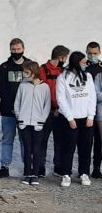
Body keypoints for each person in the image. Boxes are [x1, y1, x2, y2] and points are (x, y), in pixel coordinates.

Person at [56, 51, 97, 188]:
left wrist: (91, 116)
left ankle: (84, 172)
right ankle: (66, 174)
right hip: (70, 119)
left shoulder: (88, 76)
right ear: (76, 63)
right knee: (68, 147)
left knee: (85, 147)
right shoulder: (63, 77)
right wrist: (69, 118)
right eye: (84, 62)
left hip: (86, 119)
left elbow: (92, 97)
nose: (86, 64)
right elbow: (61, 100)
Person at [0, 38, 29, 178]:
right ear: (10, 50)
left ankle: (27, 166)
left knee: (24, 140)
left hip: (26, 112)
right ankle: (5, 166)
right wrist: (13, 107)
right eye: (13, 49)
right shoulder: (3, 67)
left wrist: (22, 107)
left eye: (18, 49)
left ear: (23, 49)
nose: (16, 52)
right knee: (7, 139)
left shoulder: (29, 66)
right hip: (8, 111)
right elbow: (1, 89)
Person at [14, 61, 51, 185]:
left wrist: (41, 121)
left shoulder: (44, 87)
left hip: (38, 124)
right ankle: (27, 173)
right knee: (27, 149)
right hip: (24, 123)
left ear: (34, 72)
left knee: (36, 150)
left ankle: (35, 174)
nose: (25, 74)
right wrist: (20, 119)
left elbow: (47, 106)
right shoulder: (22, 86)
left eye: (27, 72)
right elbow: (17, 103)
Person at [38, 45, 69, 177]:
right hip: (47, 111)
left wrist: (60, 108)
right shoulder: (43, 69)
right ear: (60, 57)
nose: (65, 60)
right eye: (65, 57)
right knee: (43, 140)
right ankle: (40, 167)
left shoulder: (63, 71)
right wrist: (53, 107)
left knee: (60, 139)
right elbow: (42, 90)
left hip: (60, 111)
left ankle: (59, 167)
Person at [85, 42, 102, 178]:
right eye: (90, 53)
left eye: (95, 53)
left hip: (100, 111)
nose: (92, 56)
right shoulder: (82, 67)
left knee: (99, 142)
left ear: (99, 53)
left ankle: (96, 168)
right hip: (85, 110)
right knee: (86, 141)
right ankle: (84, 169)